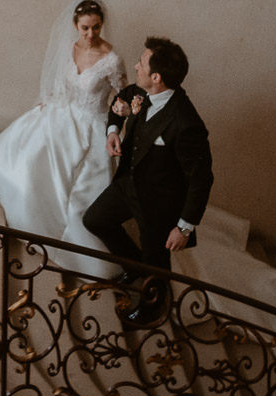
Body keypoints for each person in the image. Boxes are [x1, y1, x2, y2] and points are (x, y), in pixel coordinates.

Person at [0, 0, 128, 277]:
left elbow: (123, 95)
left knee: (81, 189)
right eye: (85, 28)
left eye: (96, 27)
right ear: (75, 25)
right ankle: (33, 217)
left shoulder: (112, 59)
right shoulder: (71, 48)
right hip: (66, 112)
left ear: (102, 25)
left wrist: (120, 112)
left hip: (93, 124)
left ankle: (79, 249)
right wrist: (51, 100)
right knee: (34, 150)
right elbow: (64, 83)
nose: (91, 34)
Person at [83, 36, 212, 324]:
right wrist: (113, 130)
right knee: (95, 220)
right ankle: (135, 264)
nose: (136, 66)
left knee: (158, 263)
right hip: (127, 183)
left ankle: (153, 308)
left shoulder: (186, 123)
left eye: (141, 63)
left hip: (159, 204)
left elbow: (202, 178)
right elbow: (121, 99)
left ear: (156, 77)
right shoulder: (140, 92)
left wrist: (184, 227)